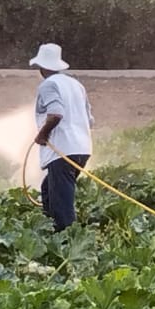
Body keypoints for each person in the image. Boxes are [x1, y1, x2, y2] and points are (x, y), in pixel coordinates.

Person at [30, 43, 94, 231]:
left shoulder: (48, 85)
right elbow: (90, 120)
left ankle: (66, 238)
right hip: (82, 149)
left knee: (62, 205)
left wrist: (42, 134)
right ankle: (50, 229)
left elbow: (56, 113)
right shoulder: (76, 85)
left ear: (42, 67)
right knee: (48, 190)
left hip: (63, 152)